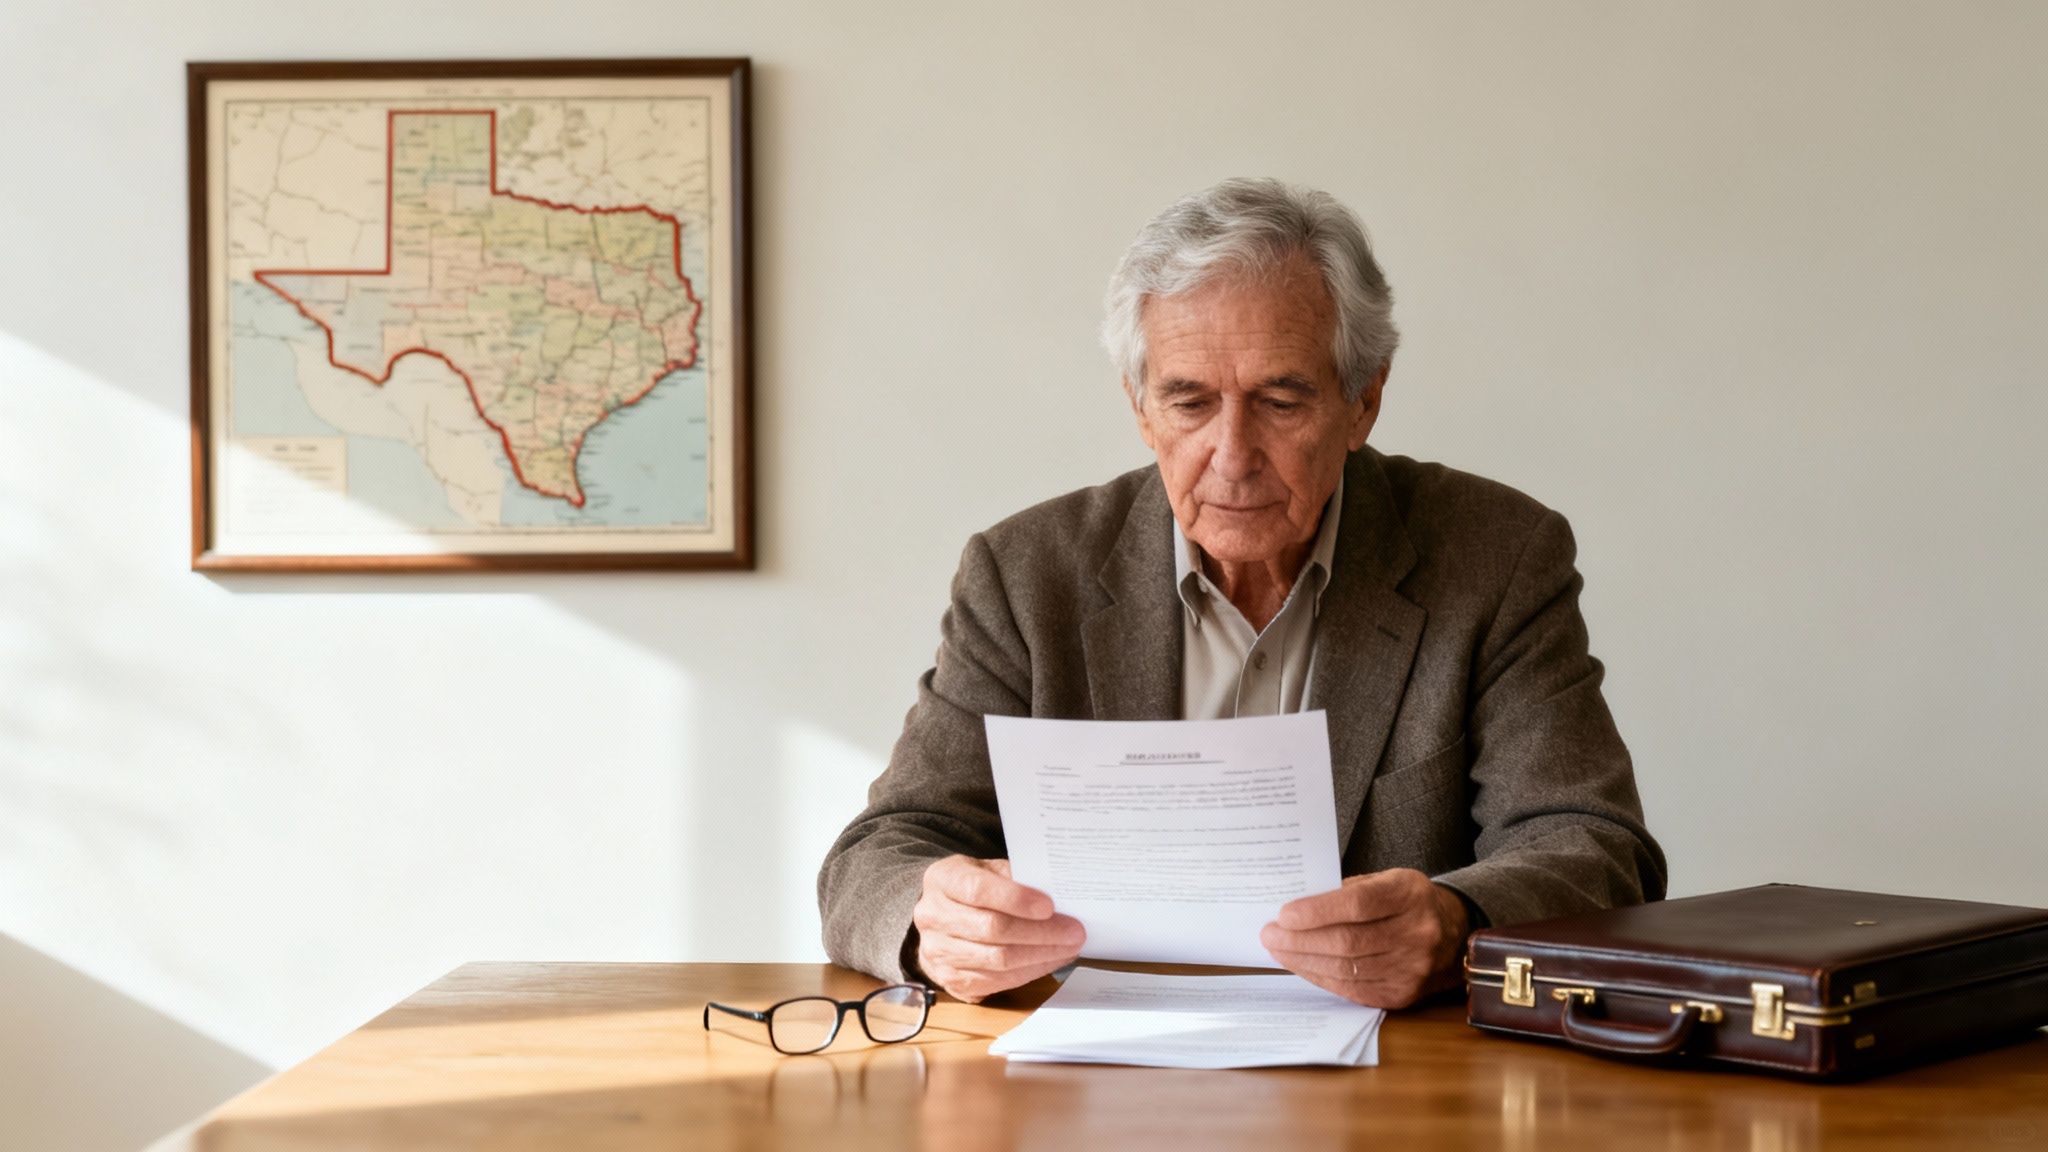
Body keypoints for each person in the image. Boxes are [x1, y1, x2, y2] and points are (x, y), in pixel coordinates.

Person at [816, 178, 1664, 1009]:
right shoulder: (1027, 575)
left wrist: (1455, 923)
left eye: (1282, 400)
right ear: (1141, 409)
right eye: (1189, 401)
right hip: (1094, 1075)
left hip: (1394, 1083)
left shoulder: (1496, 556)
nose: (1232, 453)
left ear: (1364, 400)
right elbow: (876, 856)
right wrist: (935, 922)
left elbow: (1595, 847)